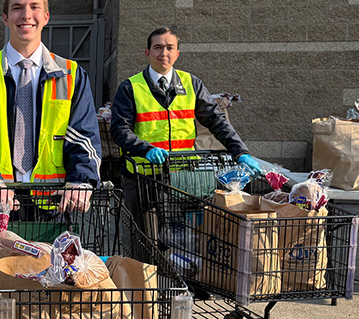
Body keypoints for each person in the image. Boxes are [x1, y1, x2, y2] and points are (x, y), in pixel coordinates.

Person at [0, 0, 101, 215]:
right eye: (17, 8)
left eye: (35, 7)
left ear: (46, 17)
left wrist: (81, 180)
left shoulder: (71, 75)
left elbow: (84, 136)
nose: (26, 15)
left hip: (54, 202)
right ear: (5, 18)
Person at [110, 26, 261, 207]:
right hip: (142, 173)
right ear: (147, 52)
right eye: (157, 47)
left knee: (185, 230)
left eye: (169, 48)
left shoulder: (192, 83)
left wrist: (241, 152)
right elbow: (120, 130)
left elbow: (216, 120)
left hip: (184, 173)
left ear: (177, 54)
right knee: (142, 231)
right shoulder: (130, 87)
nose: (163, 53)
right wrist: (146, 149)